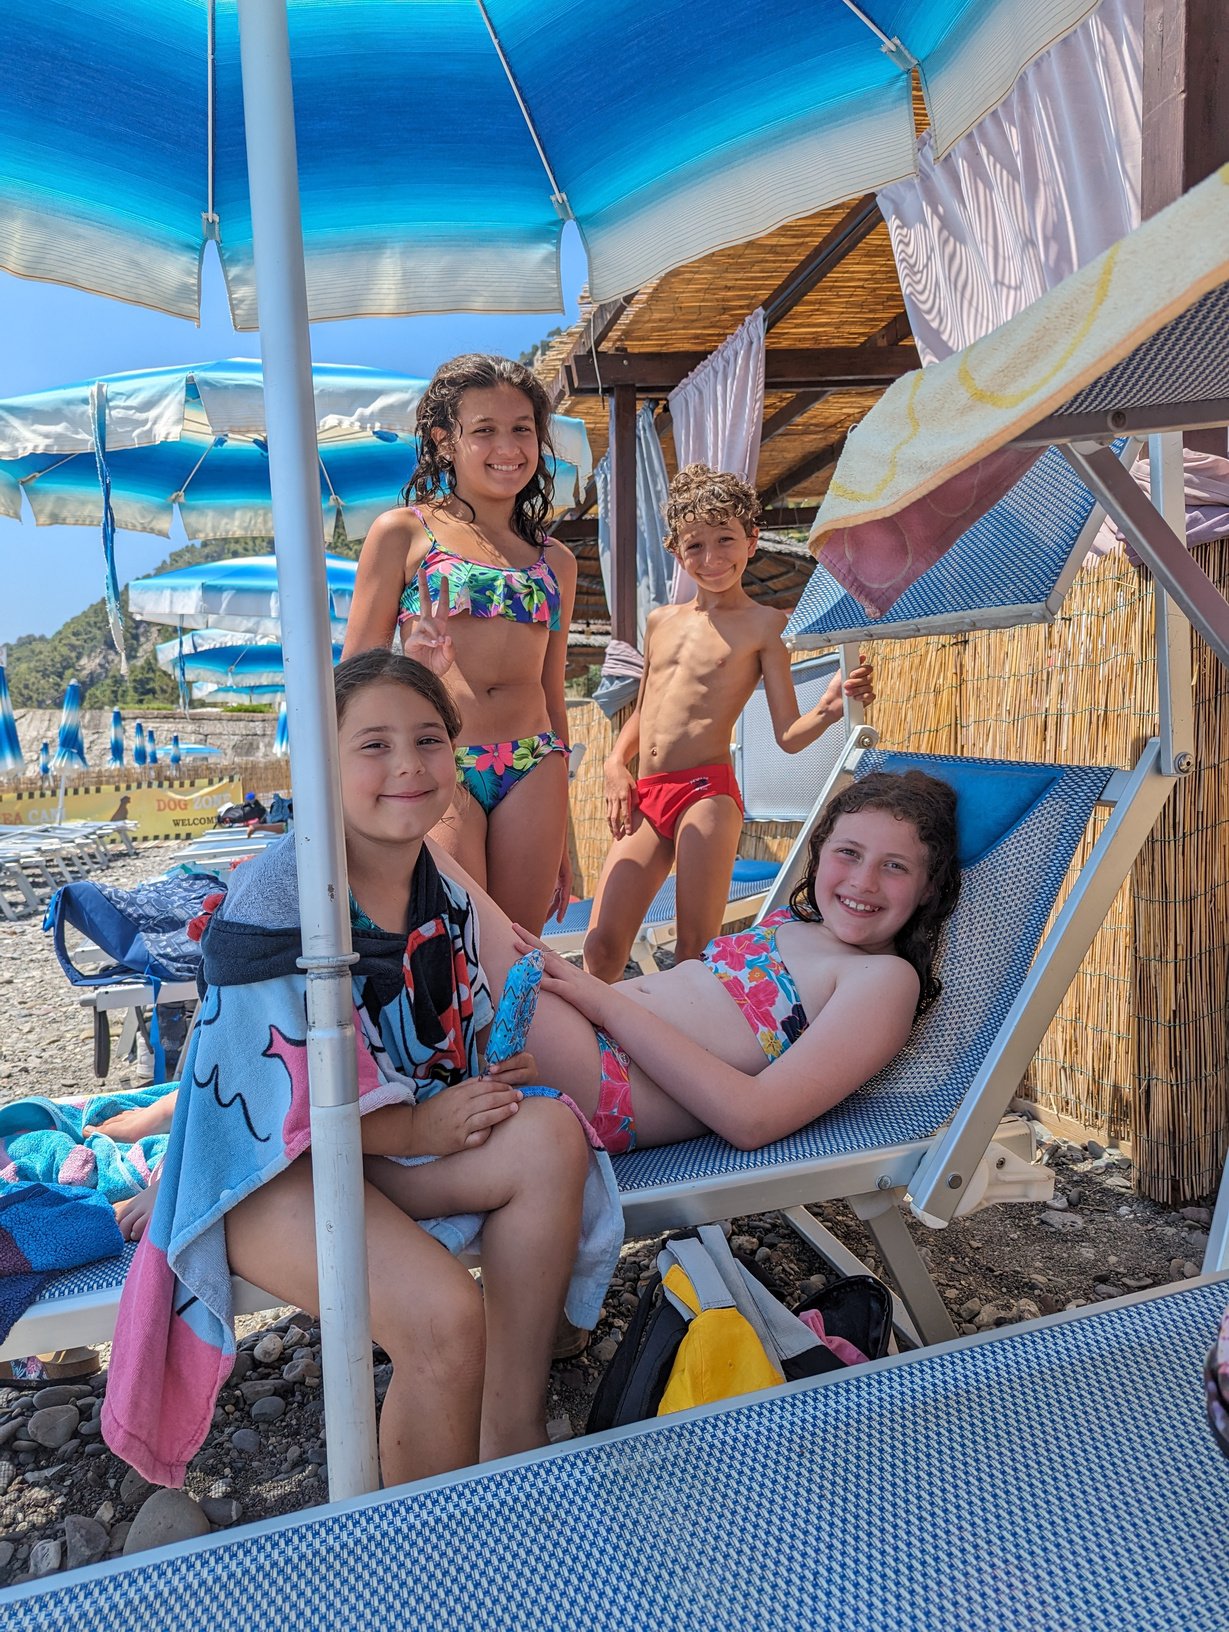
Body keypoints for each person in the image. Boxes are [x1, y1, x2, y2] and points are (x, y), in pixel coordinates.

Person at [101, 651, 620, 1490]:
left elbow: (438, 1036)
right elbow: (261, 1092)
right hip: (263, 1173)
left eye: (426, 740)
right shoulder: (280, 898)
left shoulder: (436, 887)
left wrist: (485, 1069)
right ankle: (418, 1561)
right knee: (444, 1319)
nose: (408, 765)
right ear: (318, 766)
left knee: (552, 1131)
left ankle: (510, 1435)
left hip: (369, 1152)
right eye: (372, 745)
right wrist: (420, 1126)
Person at [483, 769, 961, 1154]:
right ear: (819, 857)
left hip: (609, 1078)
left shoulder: (884, 979)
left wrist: (604, 1004)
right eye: (848, 853)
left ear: (930, 888)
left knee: (435, 879)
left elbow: (753, 1118)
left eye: (894, 866)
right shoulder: (790, 923)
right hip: (578, 1032)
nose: (863, 881)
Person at [583, 463, 876, 981]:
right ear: (677, 550)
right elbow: (648, 707)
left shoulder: (765, 625)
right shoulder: (661, 622)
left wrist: (830, 709)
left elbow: (787, 736)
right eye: (695, 546)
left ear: (752, 540)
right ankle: (597, 1056)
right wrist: (613, 763)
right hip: (649, 790)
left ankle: (682, 1053)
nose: (711, 558)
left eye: (725, 540)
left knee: (694, 949)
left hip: (705, 794)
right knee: (603, 947)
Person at [343, 353, 578, 935]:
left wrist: (566, 834)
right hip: (442, 761)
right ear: (446, 441)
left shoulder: (557, 561)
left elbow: (553, 689)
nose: (509, 446)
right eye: (485, 430)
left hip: (534, 763)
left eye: (522, 428)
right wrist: (407, 668)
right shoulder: (403, 532)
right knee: (456, 942)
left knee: (521, 952)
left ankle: (520, 1034)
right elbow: (352, 680)